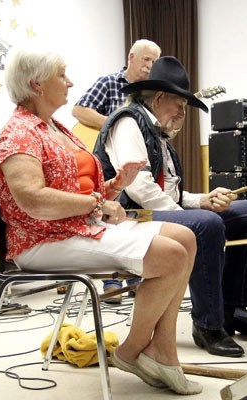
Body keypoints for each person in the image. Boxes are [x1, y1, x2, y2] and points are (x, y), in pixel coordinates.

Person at [0, 44, 201, 395]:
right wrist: (95, 203)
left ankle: (162, 348)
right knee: (172, 255)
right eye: (61, 74)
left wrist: (112, 187)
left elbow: (73, 191)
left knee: (186, 237)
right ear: (36, 84)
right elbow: (34, 201)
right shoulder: (20, 132)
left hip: (77, 227)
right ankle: (134, 350)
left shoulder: (55, 127)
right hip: (42, 240)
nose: (70, 82)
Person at [93, 56, 247, 358]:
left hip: (153, 209)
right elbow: (140, 188)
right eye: (180, 106)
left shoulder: (159, 134)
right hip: (127, 217)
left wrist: (203, 200)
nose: (183, 114)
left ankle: (231, 310)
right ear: (159, 98)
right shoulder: (128, 122)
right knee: (205, 224)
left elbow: (169, 191)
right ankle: (207, 324)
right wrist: (193, 215)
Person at [73, 39, 161, 300]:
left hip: (131, 163)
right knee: (111, 214)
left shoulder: (148, 94)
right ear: (131, 57)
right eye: (146, 59)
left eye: (154, 62)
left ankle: (133, 274)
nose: (149, 65)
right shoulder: (109, 82)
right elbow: (79, 110)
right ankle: (111, 281)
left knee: (135, 211)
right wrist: (115, 123)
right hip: (104, 163)